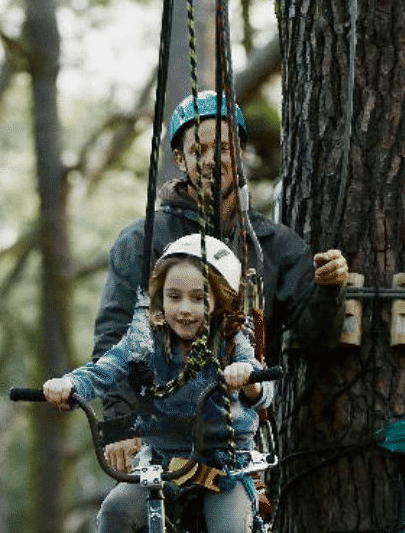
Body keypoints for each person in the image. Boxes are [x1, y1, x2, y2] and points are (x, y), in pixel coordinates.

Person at [44, 235, 284, 533]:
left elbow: (261, 390)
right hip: (164, 465)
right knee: (114, 511)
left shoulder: (230, 339)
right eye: (173, 297)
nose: (185, 309)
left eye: (198, 298)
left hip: (223, 466)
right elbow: (108, 369)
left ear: (218, 300)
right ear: (158, 299)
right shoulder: (145, 340)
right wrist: (72, 386)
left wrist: (249, 377)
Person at [95, 90, 349, 476]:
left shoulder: (273, 246)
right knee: (136, 523)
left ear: (242, 153)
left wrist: (330, 290)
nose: (213, 160)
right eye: (199, 150)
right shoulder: (142, 242)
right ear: (180, 159)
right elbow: (114, 335)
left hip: (243, 441)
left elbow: (318, 336)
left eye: (225, 148)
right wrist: (119, 425)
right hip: (157, 440)